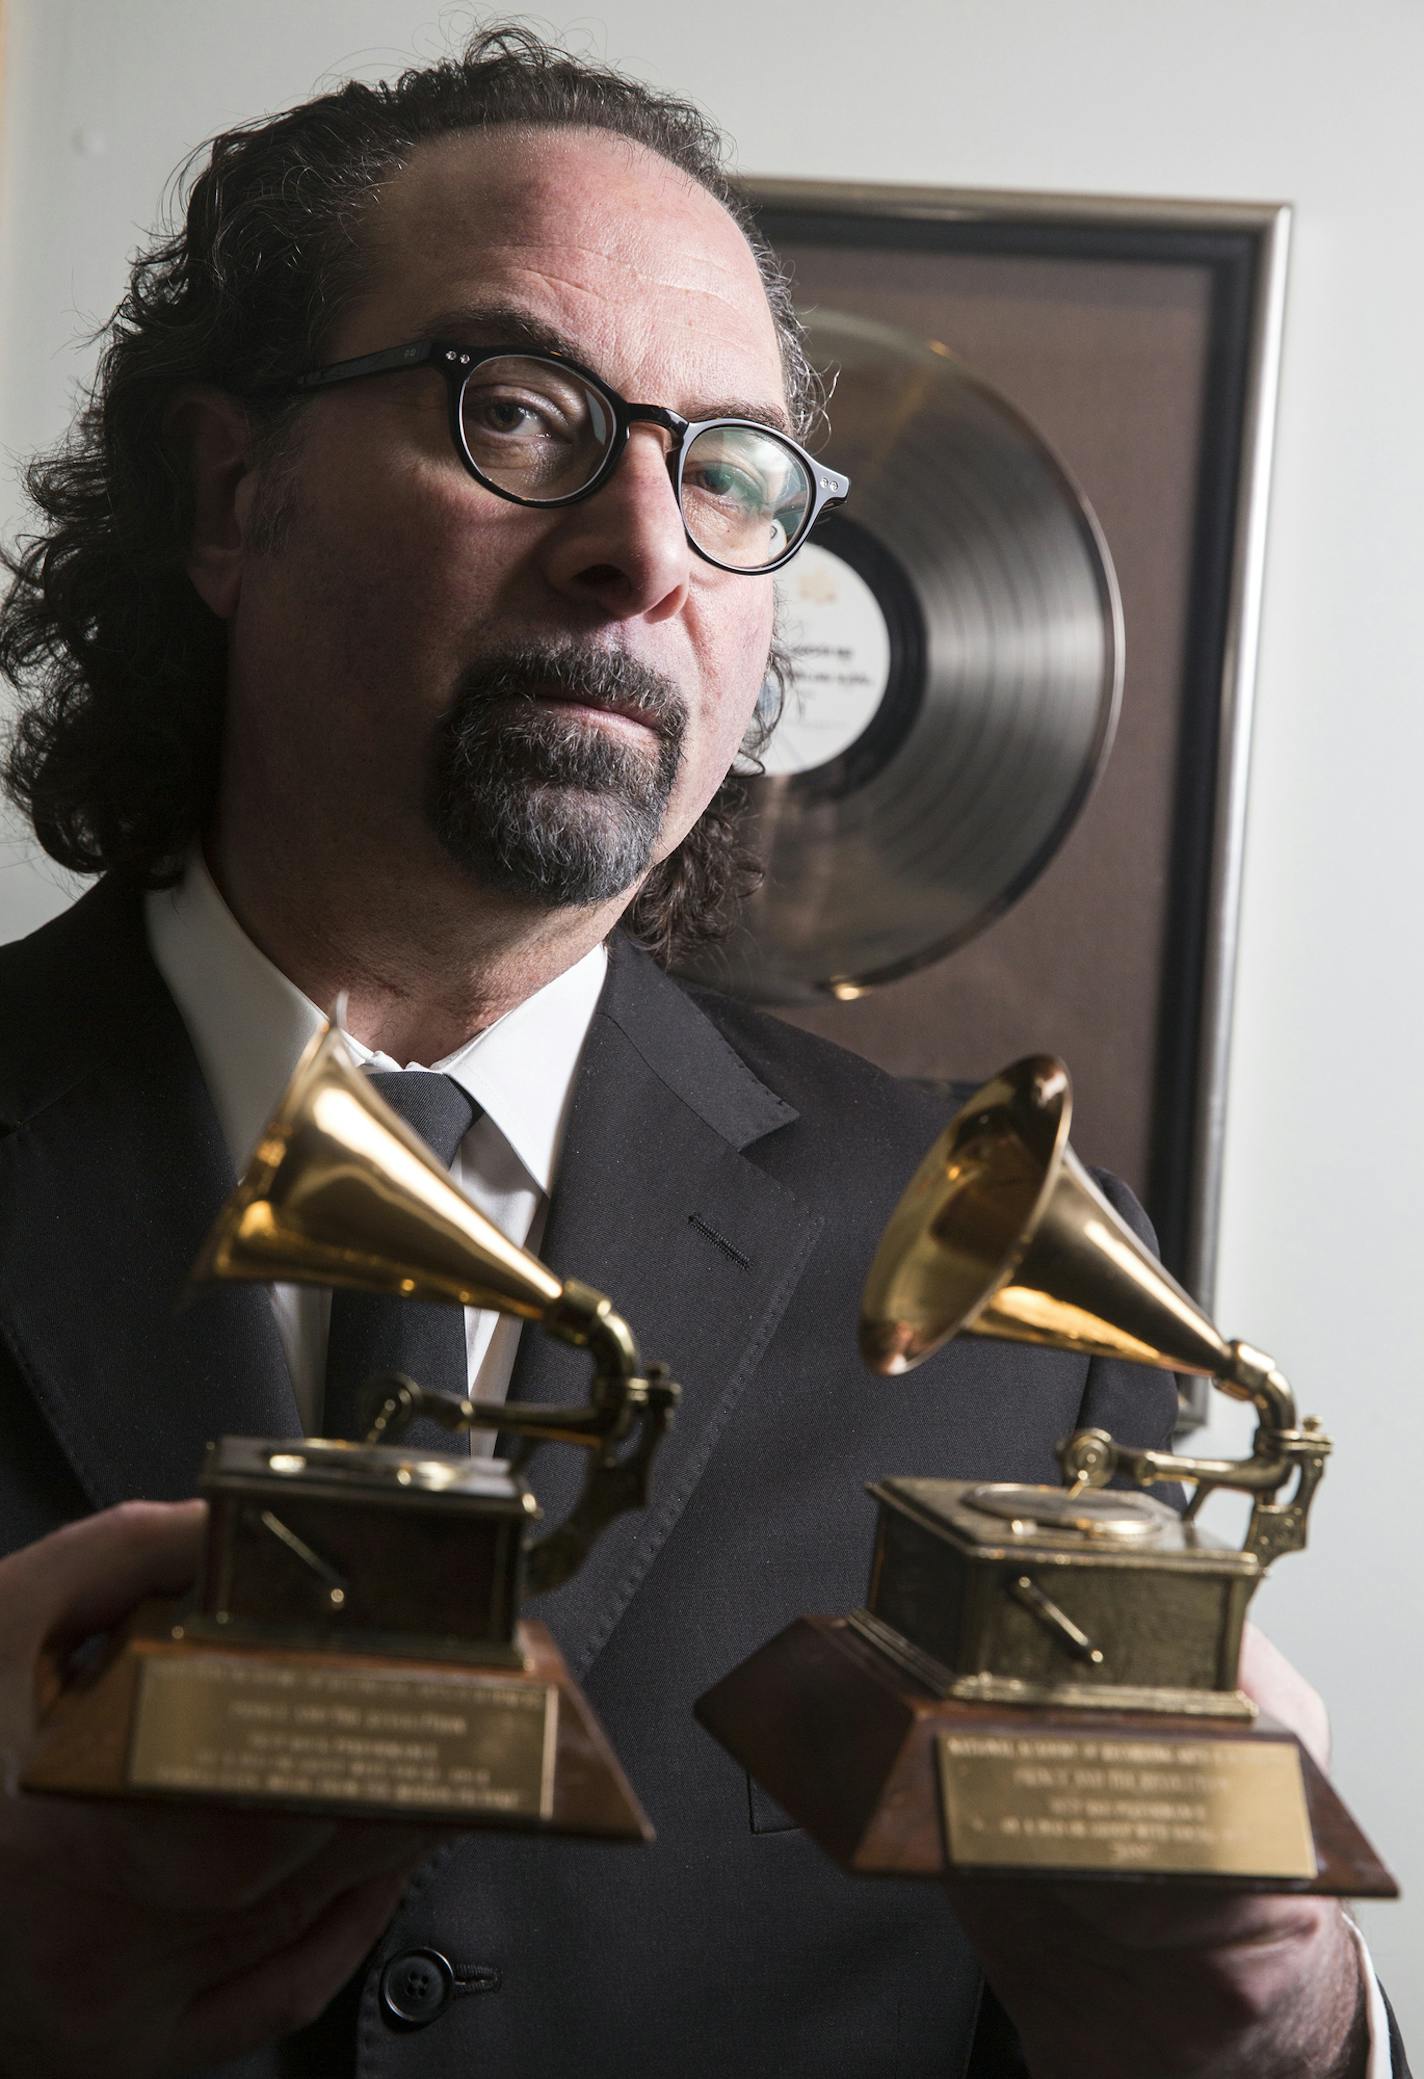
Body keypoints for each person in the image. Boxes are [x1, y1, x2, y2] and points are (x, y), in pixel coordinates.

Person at [0, 27, 1404, 2079]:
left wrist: (1285, 2029)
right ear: (233, 493)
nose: (645, 550)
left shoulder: (1010, 1303)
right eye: (520, 412)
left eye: (729, 470)